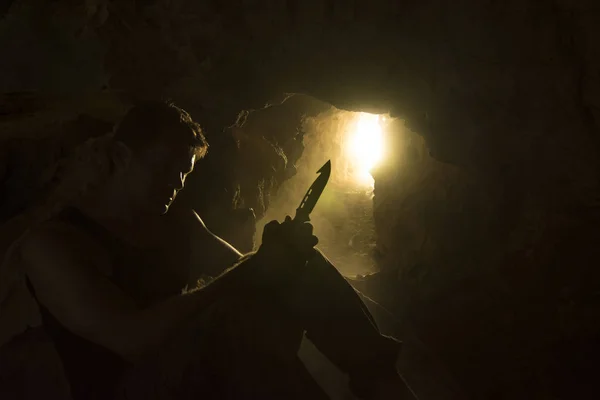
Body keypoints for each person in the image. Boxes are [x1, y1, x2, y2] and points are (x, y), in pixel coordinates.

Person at [17, 101, 416, 400]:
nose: (175, 185)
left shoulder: (175, 223)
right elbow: (132, 339)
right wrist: (255, 269)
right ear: (122, 157)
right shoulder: (54, 244)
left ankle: (381, 383)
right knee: (232, 318)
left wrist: (280, 253)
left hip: (191, 372)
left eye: (183, 175)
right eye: (164, 170)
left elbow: (241, 268)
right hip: (131, 387)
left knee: (300, 265)